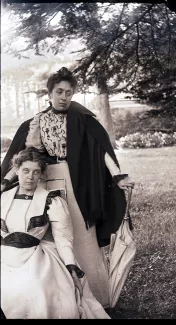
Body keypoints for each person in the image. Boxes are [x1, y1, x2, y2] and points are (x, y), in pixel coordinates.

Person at [1, 67, 134, 308]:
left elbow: (102, 151)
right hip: (43, 181)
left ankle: (95, 295)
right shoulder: (37, 121)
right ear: (49, 92)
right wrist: (7, 180)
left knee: (81, 234)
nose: (64, 97)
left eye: (69, 92)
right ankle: (52, 295)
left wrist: (118, 177)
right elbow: (25, 156)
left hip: (75, 183)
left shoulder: (82, 119)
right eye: (59, 91)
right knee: (48, 236)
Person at [1, 148, 110, 319]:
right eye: (26, 171)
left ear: (41, 175)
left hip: (34, 258)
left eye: (36, 172)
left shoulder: (51, 200)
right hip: (5, 257)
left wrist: (70, 265)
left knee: (35, 288)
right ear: (17, 170)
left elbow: (63, 237)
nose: (30, 176)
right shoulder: (3, 198)